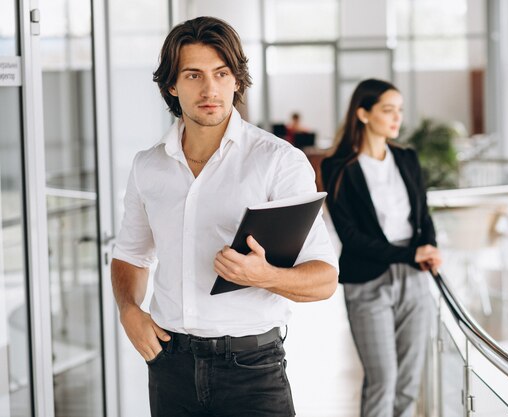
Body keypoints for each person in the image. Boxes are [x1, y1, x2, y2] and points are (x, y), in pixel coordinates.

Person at [111, 16, 338, 417]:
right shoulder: (148, 166)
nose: (210, 88)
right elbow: (131, 254)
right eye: (194, 74)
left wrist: (264, 276)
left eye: (221, 73)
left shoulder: (278, 163)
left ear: (237, 80)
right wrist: (129, 310)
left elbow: (323, 279)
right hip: (170, 365)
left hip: (252, 370)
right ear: (171, 85)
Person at [321, 79, 442, 417]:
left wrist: (429, 245)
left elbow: (423, 214)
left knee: (407, 382)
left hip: (415, 277)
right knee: (382, 380)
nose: (396, 118)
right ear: (363, 113)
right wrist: (409, 254)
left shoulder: (406, 158)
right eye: (388, 110)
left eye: (399, 111)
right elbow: (350, 235)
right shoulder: (339, 167)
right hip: (367, 280)